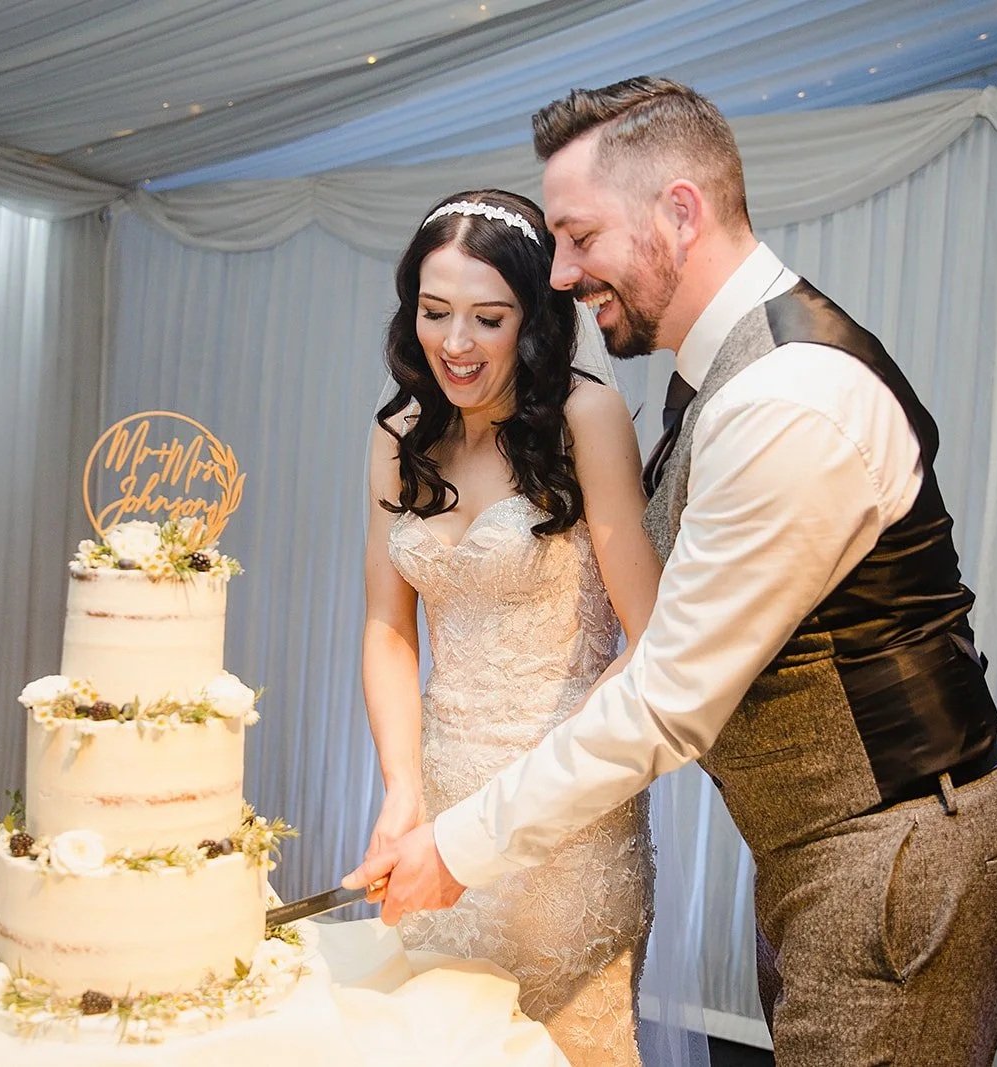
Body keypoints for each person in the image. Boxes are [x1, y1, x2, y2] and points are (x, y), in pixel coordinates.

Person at [346, 79, 997, 1064]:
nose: (562, 274)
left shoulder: (785, 399)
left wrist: (459, 846)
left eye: (580, 237)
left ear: (679, 211)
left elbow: (669, 692)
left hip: (894, 854)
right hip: (822, 845)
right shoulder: (722, 370)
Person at [359, 188, 663, 1065]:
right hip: (437, 807)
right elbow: (388, 626)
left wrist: (543, 793)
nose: (456, 343)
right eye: (434, 312)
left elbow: (652, 641)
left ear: (532, 318)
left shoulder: (584, 418)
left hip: (565, 819)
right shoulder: (398, 434)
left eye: (487, 319)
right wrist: (401, 788)